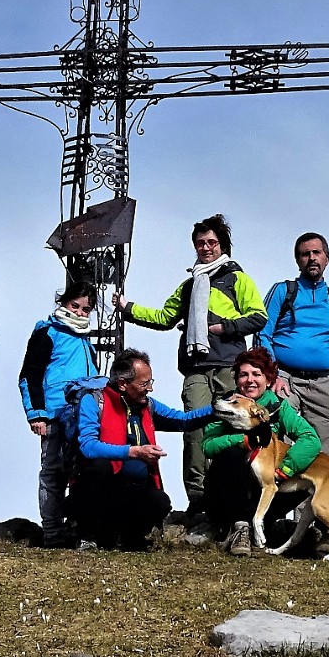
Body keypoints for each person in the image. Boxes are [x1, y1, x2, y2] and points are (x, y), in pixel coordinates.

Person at [114, 214, 266, 525]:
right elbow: (164, 317)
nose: (206, 248)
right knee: (194, 431)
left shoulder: (238, 278)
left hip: (228, 365)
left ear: (222, 245)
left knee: (233, 429)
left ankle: (235, 498)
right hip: (196, 368)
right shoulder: (189, 285)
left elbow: (258, 316)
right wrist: (128, 309)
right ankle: (199, 499)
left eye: (212, 243)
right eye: (200, 244)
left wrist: (225, 327)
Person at [69, 348, 212, 551]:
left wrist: (217, 407)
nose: (150, 389)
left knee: (160, 503)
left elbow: (183, 420)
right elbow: (88, 446)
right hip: (101, 488)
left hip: (134, 488)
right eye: (144, 384)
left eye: (150, 382)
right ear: (123, 384)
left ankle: (128, 537)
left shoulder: (147, 405)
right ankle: (87, 536)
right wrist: (134, 452)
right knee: (99, 467)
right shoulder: (93, 402)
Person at [200, 346, 321, 557]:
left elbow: (310, 439)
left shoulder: (278, 407)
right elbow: (207, 446)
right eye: (244, 374)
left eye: (257, 374)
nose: (250, 380)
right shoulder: (225, 405)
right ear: (236, 379)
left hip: (267, 484)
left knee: (308, 472)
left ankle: (267, 523)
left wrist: (286, 468)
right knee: (232, 455)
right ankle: (239, 527)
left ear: (268, 379)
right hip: (228, 487)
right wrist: (243, 440)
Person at [255, 232, 329, 455]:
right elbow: (262, 334)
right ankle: (280, 489)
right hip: (285, 378)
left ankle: (312, 491)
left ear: (326, 259)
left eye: (316, 253)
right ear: (298, 260)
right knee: (279, 441)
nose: (311, 258)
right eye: (305, 254)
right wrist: (272, 374)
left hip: (326, 383)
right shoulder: (283, 291)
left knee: (321, 452)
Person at [18, 280, 99, 548]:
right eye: (74, 306)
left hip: (83, 416)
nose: (79, 313)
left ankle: (78, 528)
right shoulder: (47, 332)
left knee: (82, 471)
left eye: (85, 309)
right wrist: (36, 413)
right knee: (53, 473)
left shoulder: (86, 340)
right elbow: (30, 375)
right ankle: (52, 532)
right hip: (53, 414)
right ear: (63, 303)